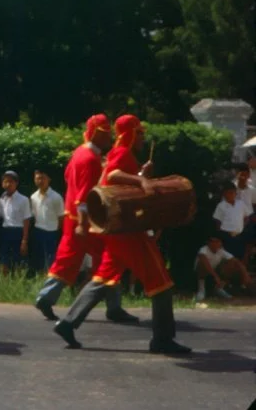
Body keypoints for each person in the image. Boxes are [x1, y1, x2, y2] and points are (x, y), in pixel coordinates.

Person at [54, 114, 191, 354]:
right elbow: (114, 175)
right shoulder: (121, 152)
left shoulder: (121, 153)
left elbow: (118, 184)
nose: (142, 138)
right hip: (128, 233)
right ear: (130, 134)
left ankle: (68, 323)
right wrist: (142, 183)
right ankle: (162, 339)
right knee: (161, 283)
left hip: (119, 232)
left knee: (104, 277)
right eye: (139, 133)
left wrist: (141, 176)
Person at [34, 114, 138, 324]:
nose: (110, 139)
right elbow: (84, 195)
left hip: (74, 218)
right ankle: (114, 307)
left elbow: (68, 181)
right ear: (96, 135)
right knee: (111, 257)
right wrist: (83, 223)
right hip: (86, 220)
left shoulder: (80, 153)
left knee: (68, 259)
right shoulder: (90, 159)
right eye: (105, 134)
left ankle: (45, 297)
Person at [194, 236, 254, 302]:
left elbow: (236, 261)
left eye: (218, 241)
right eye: (213, 241)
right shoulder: (203, 250)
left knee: (231, 263)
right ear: (208, 243)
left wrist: (245, 275)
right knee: (202, 264)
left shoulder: (221, 251)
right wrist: (215, 276)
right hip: (201, 273)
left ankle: (219, 288)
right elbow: (204, 261)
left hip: (215, 273)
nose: (215, 243)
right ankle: (201, 290)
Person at [0, 170, 32, 274]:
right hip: (5, 231)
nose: (8, 184)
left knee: (19, 259)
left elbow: (26, 220)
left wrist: (24, 240)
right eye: (5, 181)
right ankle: (4, 283)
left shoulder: (23, 199)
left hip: (18, 231)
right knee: (3, 258)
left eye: (11, 181)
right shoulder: (2, 198)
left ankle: (18, 283)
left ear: (16, 183)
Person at [30, 170, 65, 273]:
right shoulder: (33, 196)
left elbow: (61, 217)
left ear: (49, 179)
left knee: (51, 259)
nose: (40, 181)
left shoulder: (56, 197)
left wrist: (56, 230)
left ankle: (50, 279)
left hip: (52, 231)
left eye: (43, 178)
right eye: (38, 178)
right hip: (38, 230)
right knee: (39, 258)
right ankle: (40, 280)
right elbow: (34, 214)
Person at [212, 181, 249, 260]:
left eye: (232, 192)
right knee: (229, 257)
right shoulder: (221, 206)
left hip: (239, 235)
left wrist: (242, 226)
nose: (230, 195)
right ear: (224, 194)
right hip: (227, 236)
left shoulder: (241, 203)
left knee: (239, 255)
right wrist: (222, 233)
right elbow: (217, 220)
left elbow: (246, 217)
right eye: (227, 193)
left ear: (235, 193)